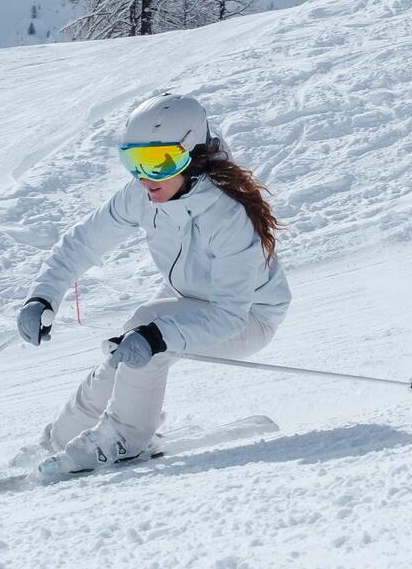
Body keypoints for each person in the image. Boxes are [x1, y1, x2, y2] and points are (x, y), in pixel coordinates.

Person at [16, 92, 291, 478]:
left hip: (249, 316)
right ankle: (61, 437)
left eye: (161, 162)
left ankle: (125, 438)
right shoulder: (143, 195)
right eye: (135, 161)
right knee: (130, 344)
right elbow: (83, 242)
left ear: (192, 158)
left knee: (151, 341)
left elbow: (229, 314)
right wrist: (43, 294)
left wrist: (158, 338)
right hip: (191, 298)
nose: (146, 177)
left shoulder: (229, 216)